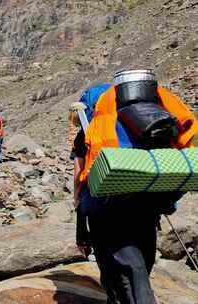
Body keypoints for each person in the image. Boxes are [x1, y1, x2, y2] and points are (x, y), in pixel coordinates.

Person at [72, 69, 196, 304]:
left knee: (121, 271)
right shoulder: (144, 127)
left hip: (106, 207)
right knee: (141, 264)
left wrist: (78, 207)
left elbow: (80, 176)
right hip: (147, 202)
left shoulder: (91, 131)